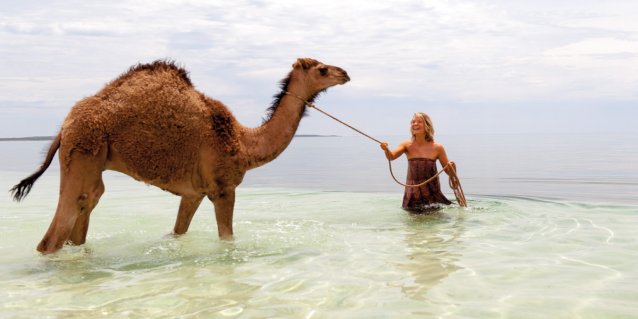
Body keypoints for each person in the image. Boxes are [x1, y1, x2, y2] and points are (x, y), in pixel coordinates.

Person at [380, 112, 454, 211]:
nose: (415, 124)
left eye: (419, 122)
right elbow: (391, 157)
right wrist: (386, 149)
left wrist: (452, 168)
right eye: (413, 122)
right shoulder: (406, 145)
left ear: (427, 126)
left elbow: (449, 172)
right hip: (412, 195)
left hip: (433, 194)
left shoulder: (438, 148)